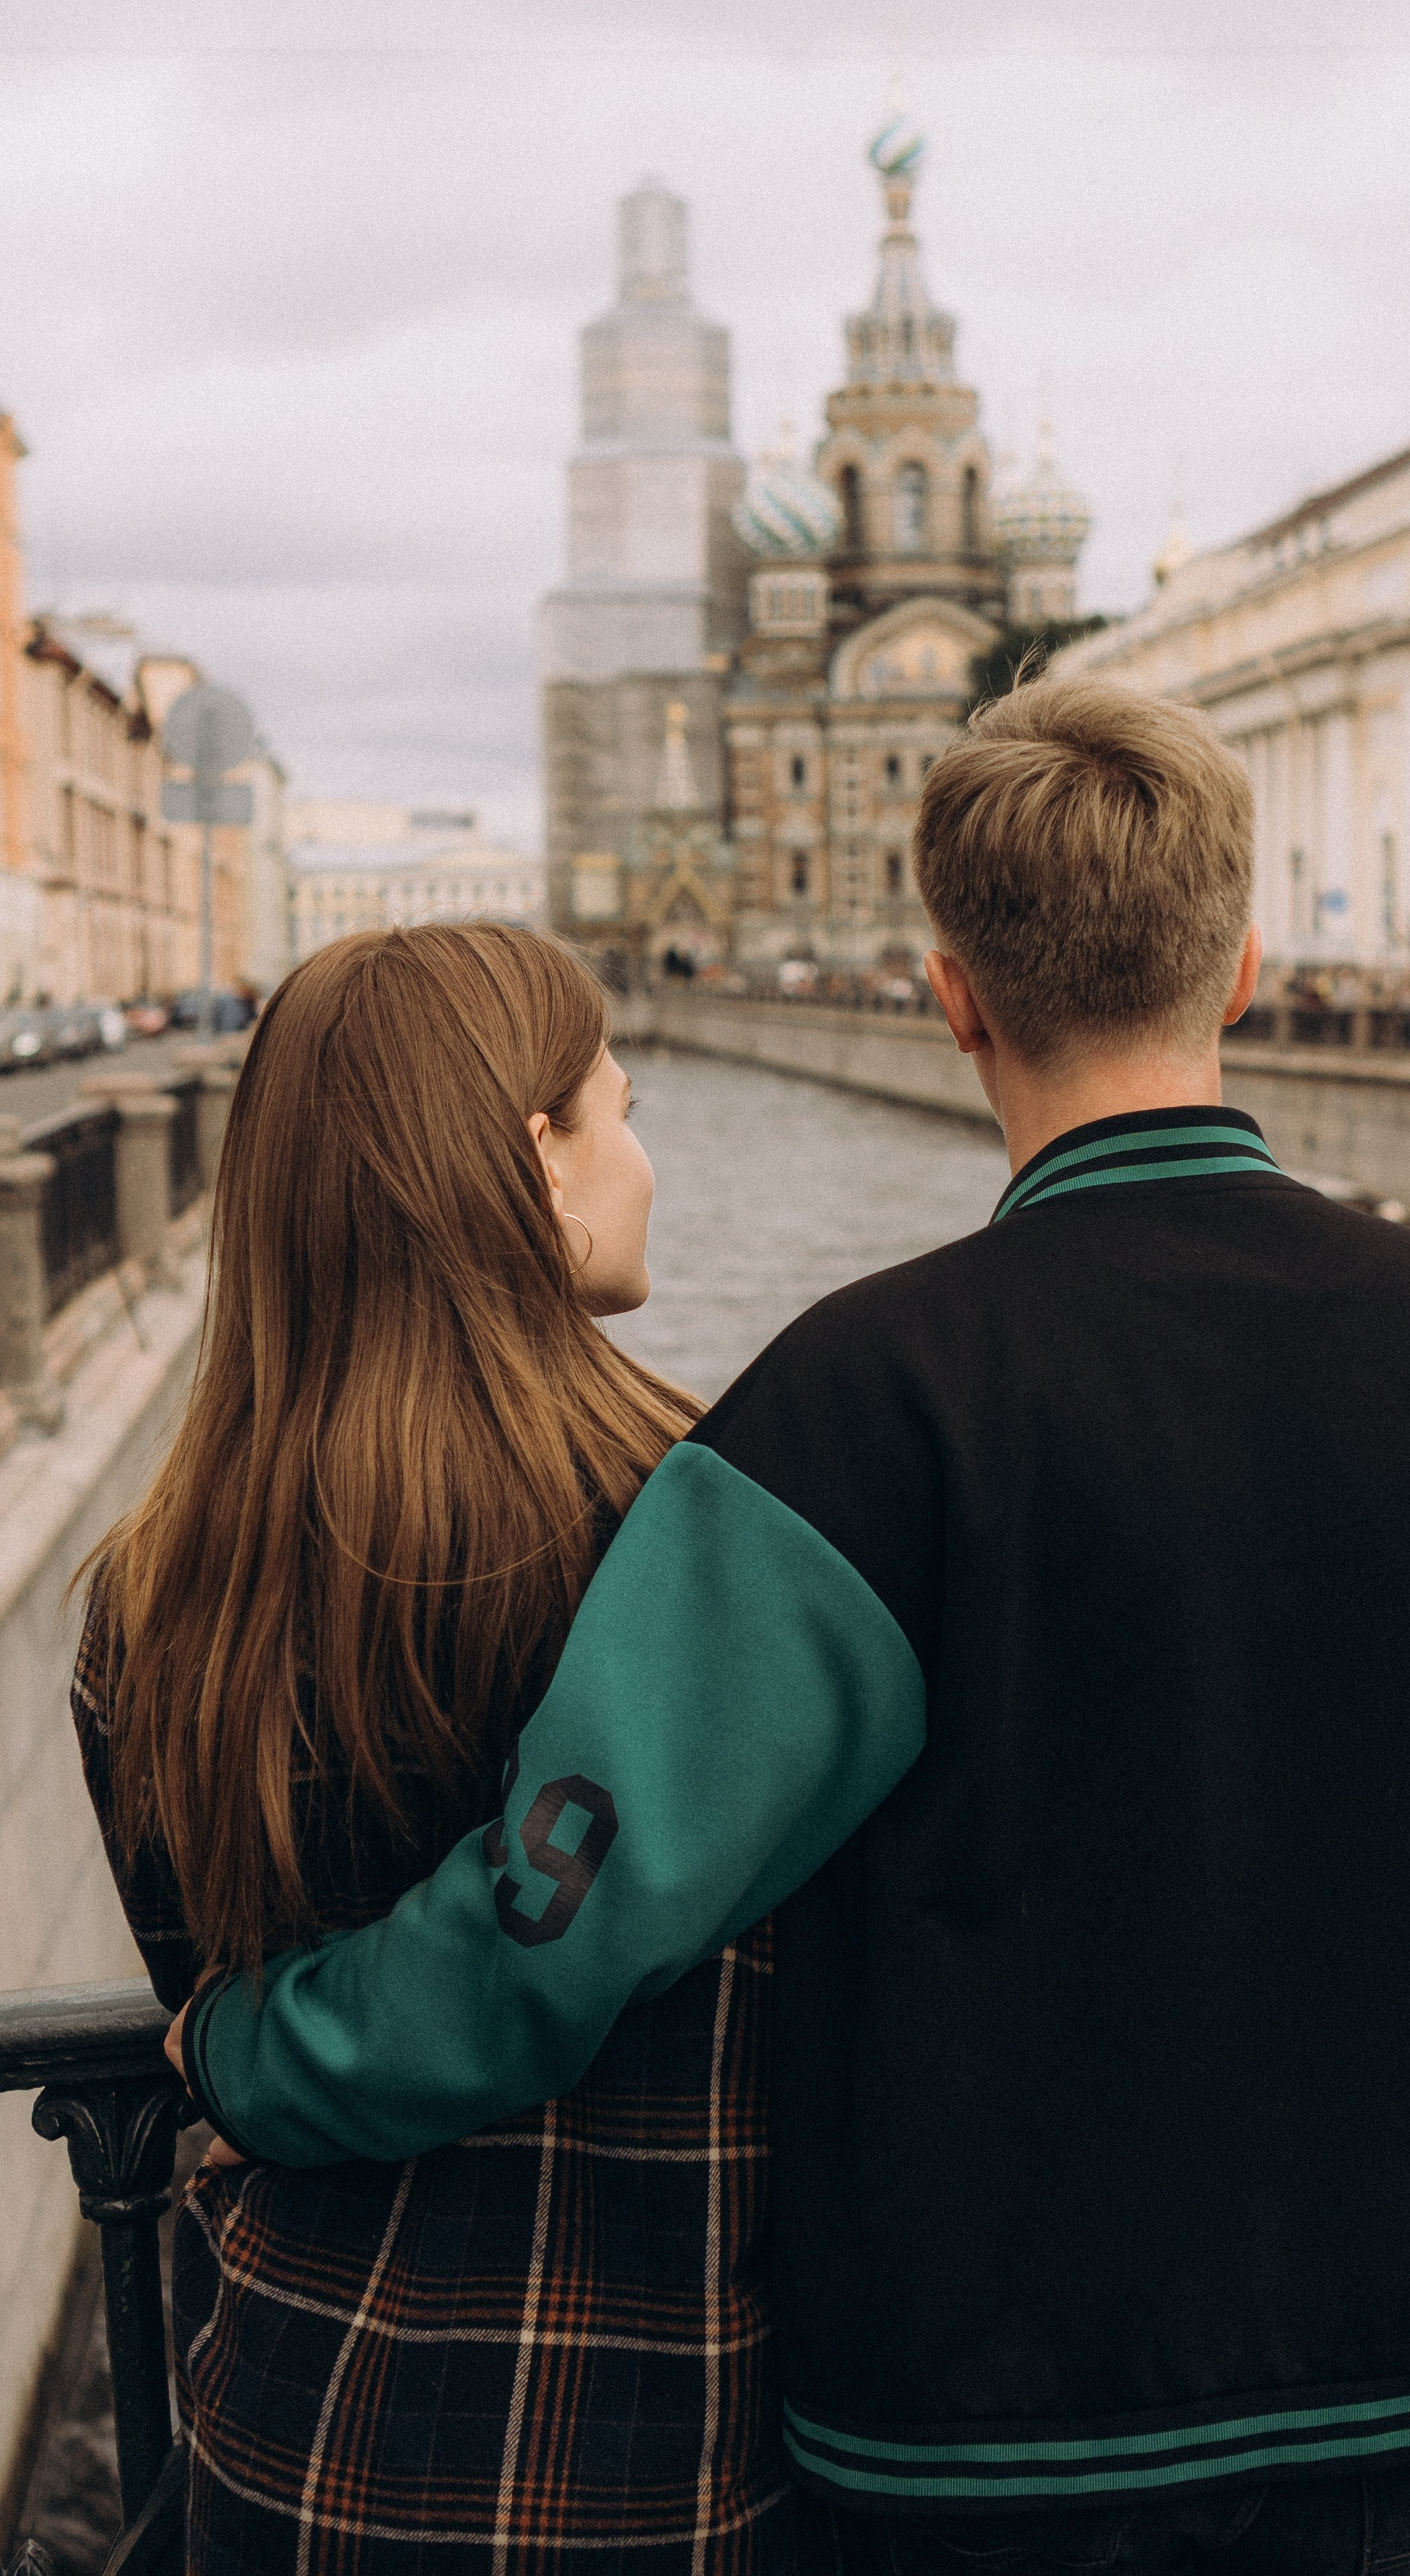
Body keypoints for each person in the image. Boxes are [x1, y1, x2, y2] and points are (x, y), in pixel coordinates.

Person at [171, 685, 1410, 2576]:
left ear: (953, 997)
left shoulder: (860, 1408)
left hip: (1004, 2425)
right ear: (1240, 966)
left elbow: (565, 1905)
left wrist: (258, 2059)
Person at [74, 922, 898, 2576]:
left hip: (287, 2445)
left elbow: (203, 1993)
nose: (642, 1159)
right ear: (536, 1160)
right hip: (669, 2458)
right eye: (621, 1108)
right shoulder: (705, 1533)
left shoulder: (155, 1598)